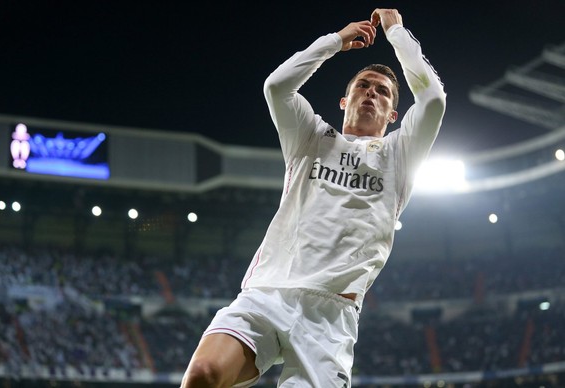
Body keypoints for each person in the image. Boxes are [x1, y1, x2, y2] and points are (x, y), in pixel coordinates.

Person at [181, 8, 446, 387]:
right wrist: (335, 42)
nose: (371, 92)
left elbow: (434, 100)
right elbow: (277, 86)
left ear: (394, 113)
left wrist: (397, 33)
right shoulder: (311, 137)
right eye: (362, 86)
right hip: (266, 293)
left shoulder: (399, 155)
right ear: (344, 101)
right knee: (203, 375)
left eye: (382, 91)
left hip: (329, 315)